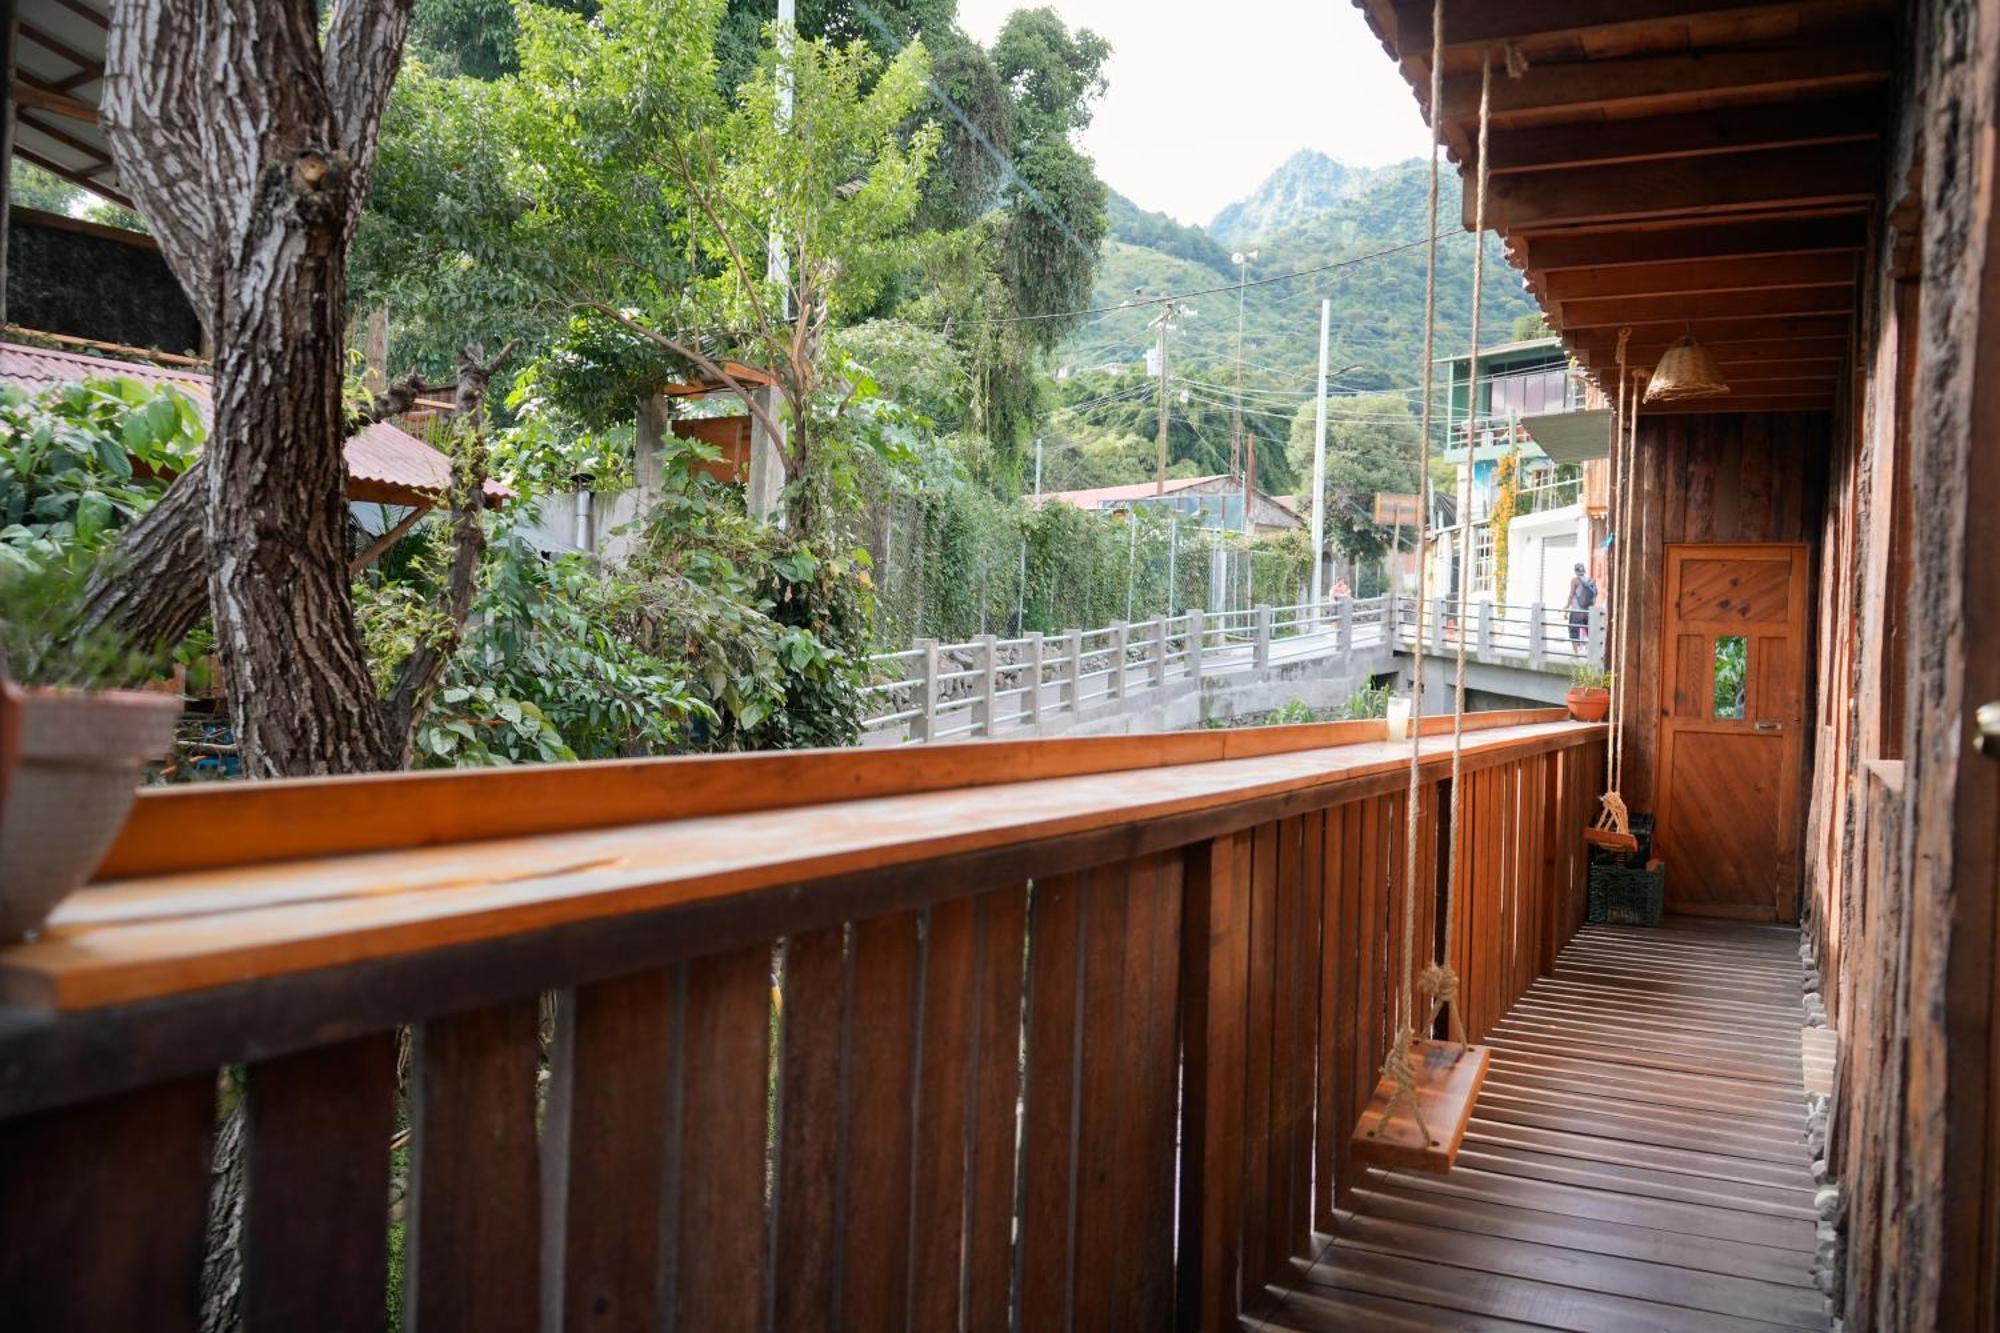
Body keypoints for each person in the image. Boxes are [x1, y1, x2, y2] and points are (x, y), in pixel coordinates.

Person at [1566, 562, 1597, 654]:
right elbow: (1595, 595)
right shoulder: (1592, 581)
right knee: (1590, 631)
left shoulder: (1574, 580)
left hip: (1576, 610)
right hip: (1587, 610)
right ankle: (1593, 652)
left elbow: (1571, 595)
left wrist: (1567, 606)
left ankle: (1575, 653)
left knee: (1573, 630)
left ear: (1575, 571)